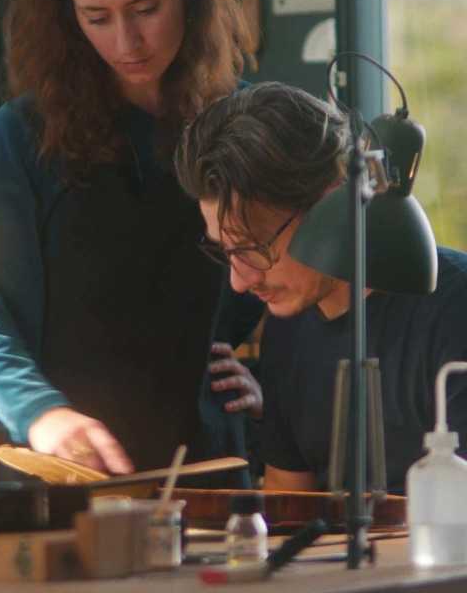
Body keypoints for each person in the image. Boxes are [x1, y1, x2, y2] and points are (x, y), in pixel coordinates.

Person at [0, 0, 258, 475]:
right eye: (97, 17)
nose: (127, 41)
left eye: (146, 10)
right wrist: (38, 412)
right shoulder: (24, 134)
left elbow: (310, 286)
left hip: (209, 474)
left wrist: (269, 379)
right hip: (68, 477)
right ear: (69, 18)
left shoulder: (246, 121)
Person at [174, 81, 467, 494]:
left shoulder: (453, 313)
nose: (239, 282)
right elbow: (290, 503)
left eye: (254, 249)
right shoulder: (287, 327)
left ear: (332, 201)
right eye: (226, 252)